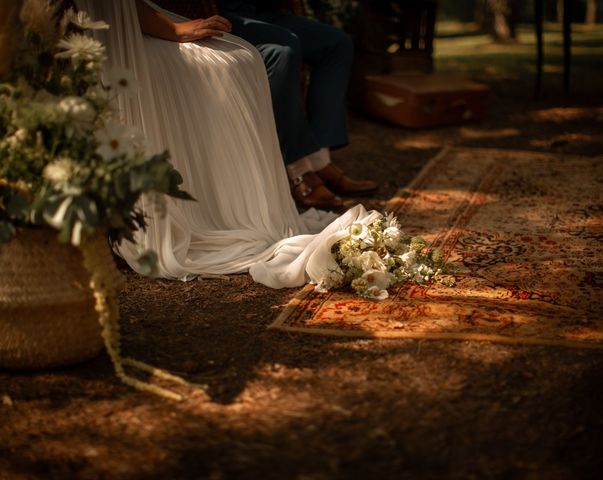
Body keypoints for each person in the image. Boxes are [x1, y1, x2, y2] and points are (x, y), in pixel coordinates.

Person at [74, 0, 378, 288]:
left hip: (147, 19)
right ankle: (285, 174)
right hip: (114, 32)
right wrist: (173, 30)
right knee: (247, 58)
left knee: (319, 44)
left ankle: (314, 160)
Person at [154, 0, 378, 210]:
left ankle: (319, 159)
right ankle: (297, 167)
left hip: (266, 9)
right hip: (219, 10)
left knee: (337, 43)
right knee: (283, 50)